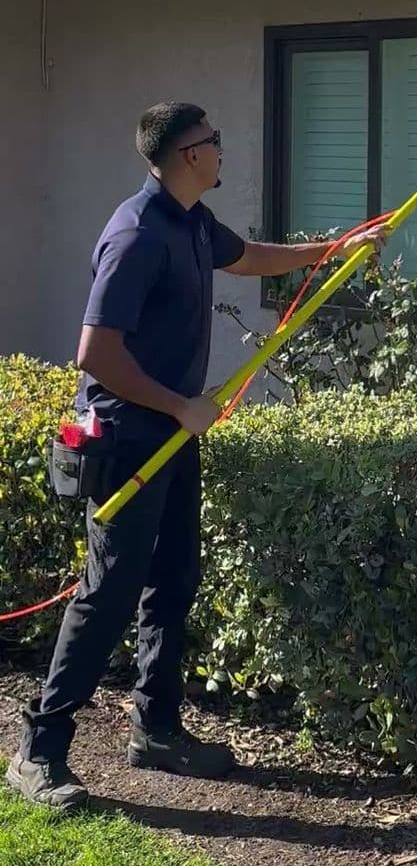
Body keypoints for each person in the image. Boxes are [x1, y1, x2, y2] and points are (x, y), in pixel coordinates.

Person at [6, 102, 381, 812]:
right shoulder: (138, 234)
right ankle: (39, 751)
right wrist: (180, 405)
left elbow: (247, 257)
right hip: (128, 440)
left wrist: (332, 249)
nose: (221, 150)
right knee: (106, 594)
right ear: (186, 156)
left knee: (174, 578)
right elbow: (96, 353)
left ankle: (157, 730)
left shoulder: (191, 222)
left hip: (175, 437)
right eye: (213, 142)